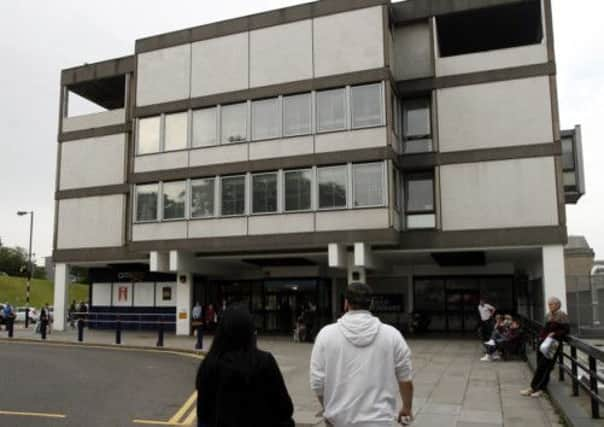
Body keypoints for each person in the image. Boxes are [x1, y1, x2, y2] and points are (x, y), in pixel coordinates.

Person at [310, 282, 414, 427]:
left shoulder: (326, 334)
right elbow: (405, 379)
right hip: (380, 421)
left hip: (339, 420)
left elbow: (317, 382)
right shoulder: (392, 335)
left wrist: (329, 410)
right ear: (371, 304)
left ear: (346, 303)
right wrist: (406, 408)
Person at [196, 307, 294, 427]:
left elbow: (203, 415)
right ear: (250, 332)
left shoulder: (209, 365)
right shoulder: (264, 362)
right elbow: (285, 409)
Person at [521, 297, 569, 397]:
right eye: (549, 304)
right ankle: (533, 387)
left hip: (553, 344)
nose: (549, 306)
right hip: (544, 343)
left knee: (546, 366)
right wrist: (540, 338)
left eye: (551, 304)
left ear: (557, 305)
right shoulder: (548, 315)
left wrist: (554, 334)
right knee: (540, 366)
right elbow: (544, 329)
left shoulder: (562, 315)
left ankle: (540, 388)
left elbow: (566, 331)